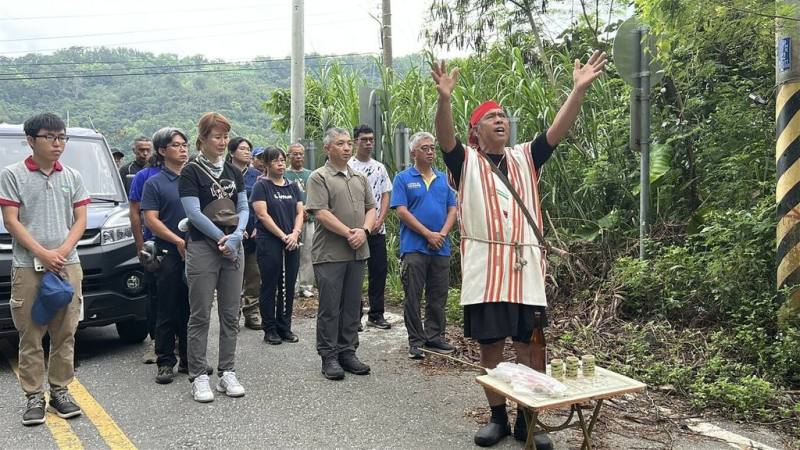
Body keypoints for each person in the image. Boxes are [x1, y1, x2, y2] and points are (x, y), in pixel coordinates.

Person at [432, 52, 607, 448]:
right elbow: (445, 137)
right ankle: (498, 418)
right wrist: (445, 100)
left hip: (526, 268)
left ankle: (530, 420)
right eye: (492, 118)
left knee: (531, 344)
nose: (501, 121)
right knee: (491, 345)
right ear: (475, 131)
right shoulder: (467, 163)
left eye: (504, 117)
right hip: (486, 268)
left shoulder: (527, 156)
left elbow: (557, 130)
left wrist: (578, 90)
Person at [0, 113, 90, 426]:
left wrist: (62, 252)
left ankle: (61, 392)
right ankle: (33, 397)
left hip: (68, 264)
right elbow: (12, 221)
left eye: (62, 137)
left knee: (65, 332)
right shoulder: (12, 174)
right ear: (30, 140)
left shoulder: (73, 176)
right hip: (28, 267)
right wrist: (42, 253)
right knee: (30, 334)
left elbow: (80, 220)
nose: (57, 143)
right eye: (49, 137)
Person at [179, 112, 248, 403]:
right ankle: (198, 375)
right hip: (202, 247)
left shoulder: (233, 171)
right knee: (200, 314)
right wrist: (221, 238)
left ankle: (227, 371)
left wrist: (236, 236)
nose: (222, 142)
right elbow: (192, 213)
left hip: (233, 246)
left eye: (225, 137)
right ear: (203, 139)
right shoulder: (191, 171)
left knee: (231, 313)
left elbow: (243, 207)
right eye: (217, 137)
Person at [306, 127, 376, 380]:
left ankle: (348, 351)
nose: (347, 147)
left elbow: (372, 208)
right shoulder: (319, 177)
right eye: (340, 143)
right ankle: (329, 355)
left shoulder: (359, 178)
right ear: (327, 148)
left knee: (351, 307)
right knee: (330, 307)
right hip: (330, 254)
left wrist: (365, 231)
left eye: (348, 143)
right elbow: (321, 212)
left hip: (358, 252)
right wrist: (349, 232)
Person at [390, 131, 458, 360]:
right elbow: (401, 211)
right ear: (413, 152)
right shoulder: (403, 178)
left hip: (441, 247)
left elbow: (453, 209)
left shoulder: (443, 180)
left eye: (432, 148)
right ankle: (416, 341)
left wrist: (442, 234)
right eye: (425, 148)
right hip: (414, 248)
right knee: (413, 295)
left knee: (438, 295)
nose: (430, 152)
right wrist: (428, 234)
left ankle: (435, 336)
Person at [141, 127, 191, 385]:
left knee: (192, 307)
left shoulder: (193, 178)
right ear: (162, 151)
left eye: (185, 144)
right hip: (168, 252)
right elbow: (151, 219)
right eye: (176, 145)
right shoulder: (154, 182)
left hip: (195, 252)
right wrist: (177, 240)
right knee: (167, 307)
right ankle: (165, 361)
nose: (183, 149)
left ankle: (189, 359)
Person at [250, 147, 303, 345]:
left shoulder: (292, 186)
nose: (281, 163)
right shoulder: (261, 186)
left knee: (288, 285)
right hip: (270, 241)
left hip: (291, 241)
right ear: (266, 164)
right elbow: (262, 215)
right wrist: (282, 236)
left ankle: (285, 326)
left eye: (282, 160)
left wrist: (295, 234)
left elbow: (300, 212)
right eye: (276, 160)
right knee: (270, 284)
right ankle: (270, 328)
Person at [348, 124, 392, 330]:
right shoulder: (348, 166)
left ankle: (376, 314)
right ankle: (353, 315)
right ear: (355, 141)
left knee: (378, 272)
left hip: (376, 230)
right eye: (364, 139)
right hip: (354, 230)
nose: (368, 143)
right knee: (355, 273)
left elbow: (385, 195)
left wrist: (380, 219)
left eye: (371, 139)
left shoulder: (379, 167)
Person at [128, 150, 162, 365]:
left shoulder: (187, 173)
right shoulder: (144, 176)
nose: (182, 150)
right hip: (154, 245)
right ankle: (156, 342)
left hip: (185, 245)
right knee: (155, 294)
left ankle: (180, 342)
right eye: (176, 145)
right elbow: (135, 212)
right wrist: (140, 244)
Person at [227, 137, 262, 330]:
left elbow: (260, 203)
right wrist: (235, 228)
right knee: (232, 275)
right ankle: (233, 314)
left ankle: (252, 312)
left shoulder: (256, 175)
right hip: (230, 232)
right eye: (242, 148)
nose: (247, 152)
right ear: (232, 152)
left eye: (249, 148)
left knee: (254, 274)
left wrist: (256, 225)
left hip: (253, 232)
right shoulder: (224, 173)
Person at [284, 142, 314, 299]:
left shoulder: (310, 174)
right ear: (288, 156)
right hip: (290, 220)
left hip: (308, 220)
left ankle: (306, 285)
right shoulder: (284, 174)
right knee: (291, 251)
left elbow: (314, 195)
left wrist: (308, 209)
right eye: (295, 154)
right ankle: (291, 285)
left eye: (301, 154)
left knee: (308, 252)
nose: (298, 157)